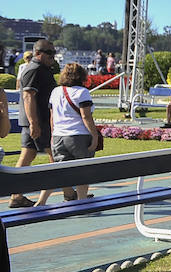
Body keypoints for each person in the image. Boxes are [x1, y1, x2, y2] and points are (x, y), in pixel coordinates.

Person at [39, 63, 103, 204]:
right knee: (83, 171)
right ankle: (81, 201)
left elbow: (52, 117)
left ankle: (42, 200)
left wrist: (53, 136)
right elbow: (86, 117)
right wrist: (95, 136)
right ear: (82, 76)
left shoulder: (55, 91)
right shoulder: (82, 92)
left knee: (61, 171)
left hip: (58, 135)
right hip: (78, 135)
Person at [9, 41, 58, 209]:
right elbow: (28, 96)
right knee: (57, 159)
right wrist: (33, 123)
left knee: (28, 157)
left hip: (38, 121)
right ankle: (69, 193)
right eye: (50, 53)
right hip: (39, 122)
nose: (53, 56)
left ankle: (16, 195)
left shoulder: (40, 69)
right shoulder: (34, 69)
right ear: (39, 53)